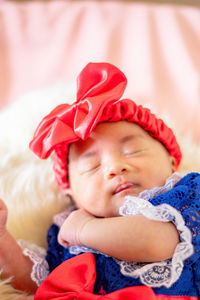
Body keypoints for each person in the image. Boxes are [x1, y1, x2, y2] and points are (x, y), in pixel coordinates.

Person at [0, 63, 199, 299]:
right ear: (71, 192)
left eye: (133, 151)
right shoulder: (66, 229)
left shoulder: (186, 194)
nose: (114, 168)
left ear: (172, 160)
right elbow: (35, 284)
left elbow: (158, 243)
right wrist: (3, 238)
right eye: (92, 166)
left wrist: (84, 230)